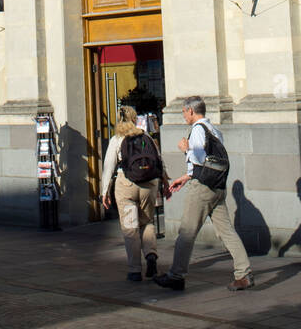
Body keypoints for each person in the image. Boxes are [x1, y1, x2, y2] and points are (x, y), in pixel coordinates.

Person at [153, 95, 253, 292]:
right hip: (217, 187)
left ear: (191, 111)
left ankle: (176, 275)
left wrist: (185, 149)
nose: (183, 115)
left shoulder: (198, 129)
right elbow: (210, 161)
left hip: (202, 188)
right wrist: (186, 176)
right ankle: (244, 273)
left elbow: (199, 158)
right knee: (227, 231)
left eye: (183, 112)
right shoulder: (214, 130)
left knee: (187, 232)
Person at [101, 105, 171, 281]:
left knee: (130, 227)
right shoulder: (145, 135)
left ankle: (134, 270)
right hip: (149, 184)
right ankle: (151, 256)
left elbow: (109, 166)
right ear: (134, 119)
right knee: (147, 222)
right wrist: (165, 181)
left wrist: (105, 192)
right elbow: (159, 159)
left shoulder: (117, 139)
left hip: (126, 184)